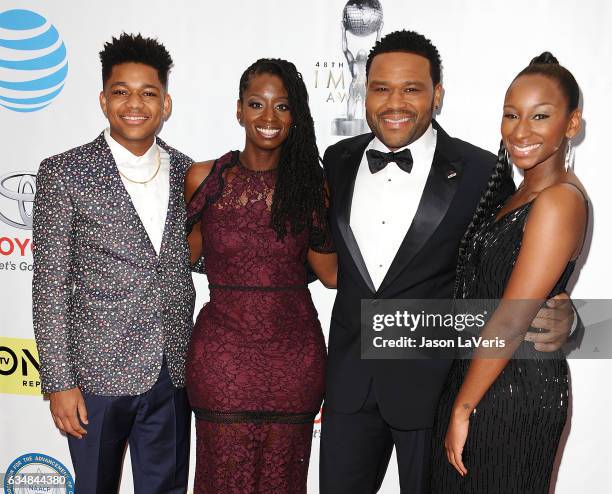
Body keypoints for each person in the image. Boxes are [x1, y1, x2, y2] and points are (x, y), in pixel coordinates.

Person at [319, 30, 578, 494]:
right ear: (364, 93)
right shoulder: (337, 160)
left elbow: (511, 270)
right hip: (348, 386)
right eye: (381, 88)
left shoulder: (482, 174)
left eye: (411, 88)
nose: (394, 102)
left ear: (437, 95)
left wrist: (571, 317)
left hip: (434, 389)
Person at [32, 34, 194, 493]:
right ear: (104, 101)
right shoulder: (64, 172)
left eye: (148, 93)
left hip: (172, 370)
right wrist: (59, 383)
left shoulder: (190, 172)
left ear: (166, 103)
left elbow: (202, 257)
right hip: (94, 378)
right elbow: (49, 285)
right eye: (121, 92)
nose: (134, 104)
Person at [431, 52, 587, 493]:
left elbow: (513, 316)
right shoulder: (517, 192)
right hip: (481, 382)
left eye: (540, 116)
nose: (521, 131)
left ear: (570, 124)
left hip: (513, 393)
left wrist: (463, 409)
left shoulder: (558, 200)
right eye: (511, 115)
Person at [184, 58, 337, 494]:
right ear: (238, 110)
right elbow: (182, 259)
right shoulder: (205, 178)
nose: (268, 118)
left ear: (296, 117)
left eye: (282, 107)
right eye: (256, 104)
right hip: (222, 359)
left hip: (293, 360)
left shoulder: (311, 185)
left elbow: (330, 275)